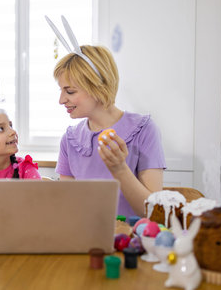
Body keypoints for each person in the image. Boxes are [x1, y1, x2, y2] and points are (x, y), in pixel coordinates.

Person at [53, 45, 166, 217]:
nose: (61, 100)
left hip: (132, 241)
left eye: (70, 91)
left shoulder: (144, 130)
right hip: (85, 241)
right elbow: (69, 209)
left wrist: (120, 169)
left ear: (97, 87)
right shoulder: (70, 140)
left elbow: (154, 213)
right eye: (61, 90)